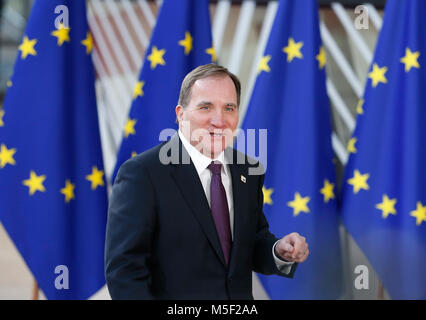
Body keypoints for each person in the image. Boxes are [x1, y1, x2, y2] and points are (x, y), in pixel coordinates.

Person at [105, 64, 309, 300]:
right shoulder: (142, 174)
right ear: (181, 114)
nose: (219, 120)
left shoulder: (248, 170)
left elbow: (249, 245)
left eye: (229, 108)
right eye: (206, 107)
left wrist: (278, 251)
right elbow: (124, 272)